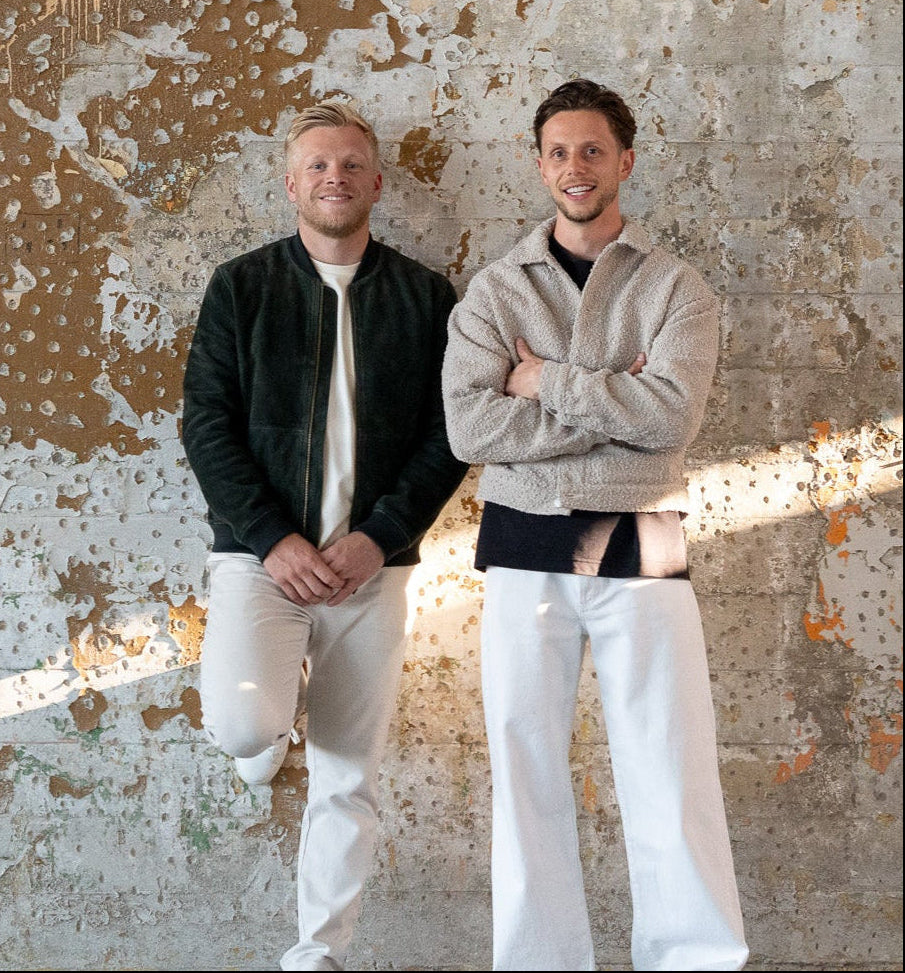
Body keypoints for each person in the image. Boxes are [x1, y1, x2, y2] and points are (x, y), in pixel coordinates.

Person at [442, 78, 749, 972]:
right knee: (524, 773)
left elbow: (670, 423)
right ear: (537, 165)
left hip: (641, 546)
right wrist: (619, 398)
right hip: (521, 550)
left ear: (623, 160)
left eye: (590, 151)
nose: (573, 168)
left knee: (669, 770)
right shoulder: (497, 290)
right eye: (557, 152)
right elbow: (469, 428)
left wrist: (541, 382)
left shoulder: (675, 287)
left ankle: (693, 958)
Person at [182, 100, 467, 972]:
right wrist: (273, 539)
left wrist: (379, 537)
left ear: (376, 183)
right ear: (290, 182)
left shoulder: (425, 297)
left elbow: (447, 434)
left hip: (370, 572)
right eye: (316, 165)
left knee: (349, 773)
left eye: (349, 164)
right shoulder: (242, 286)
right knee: (238, 725)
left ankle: (317, 955)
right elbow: (206, 423)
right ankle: (267, 735)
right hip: (260, 563)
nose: (334, 177)